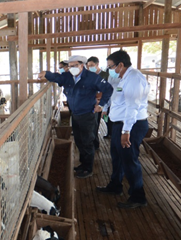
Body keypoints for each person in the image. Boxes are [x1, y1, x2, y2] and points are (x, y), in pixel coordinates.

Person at [39, 56, 112, 179]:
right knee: (78, 140)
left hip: (87, 114)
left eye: (74, 65)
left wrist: (101, 105)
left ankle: (88, 168)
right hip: (75, 113)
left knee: (87, 141)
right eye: (70, 66)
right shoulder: (68, 76)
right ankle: (83, 164)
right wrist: (46, 73)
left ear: (82, 65)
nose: (71, 68)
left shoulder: (92, 77)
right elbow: (57, 77)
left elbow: (108, 89)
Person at [96, 50, 150, 209]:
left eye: (111, 67)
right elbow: (116, 97)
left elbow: (133, 106)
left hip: (132, 125)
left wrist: (126, 132)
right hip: (120, 123)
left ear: (121, 64)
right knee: (117, 156)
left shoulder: (134, 78)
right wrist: (106, 108)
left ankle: (138, 196)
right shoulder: (122, 78)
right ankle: (115, 185)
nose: (110, 70)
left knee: (129, 160)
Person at [86, 57, 104, 150]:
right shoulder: (89, 75)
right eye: (88, 66)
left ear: (97, 65)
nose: (90, 68)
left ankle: (94, 144)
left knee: (95, 124)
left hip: (101, 102)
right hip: (91, 102)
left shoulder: (105, 75)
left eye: (92, 65)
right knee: (93, 124)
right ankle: (93, 143)